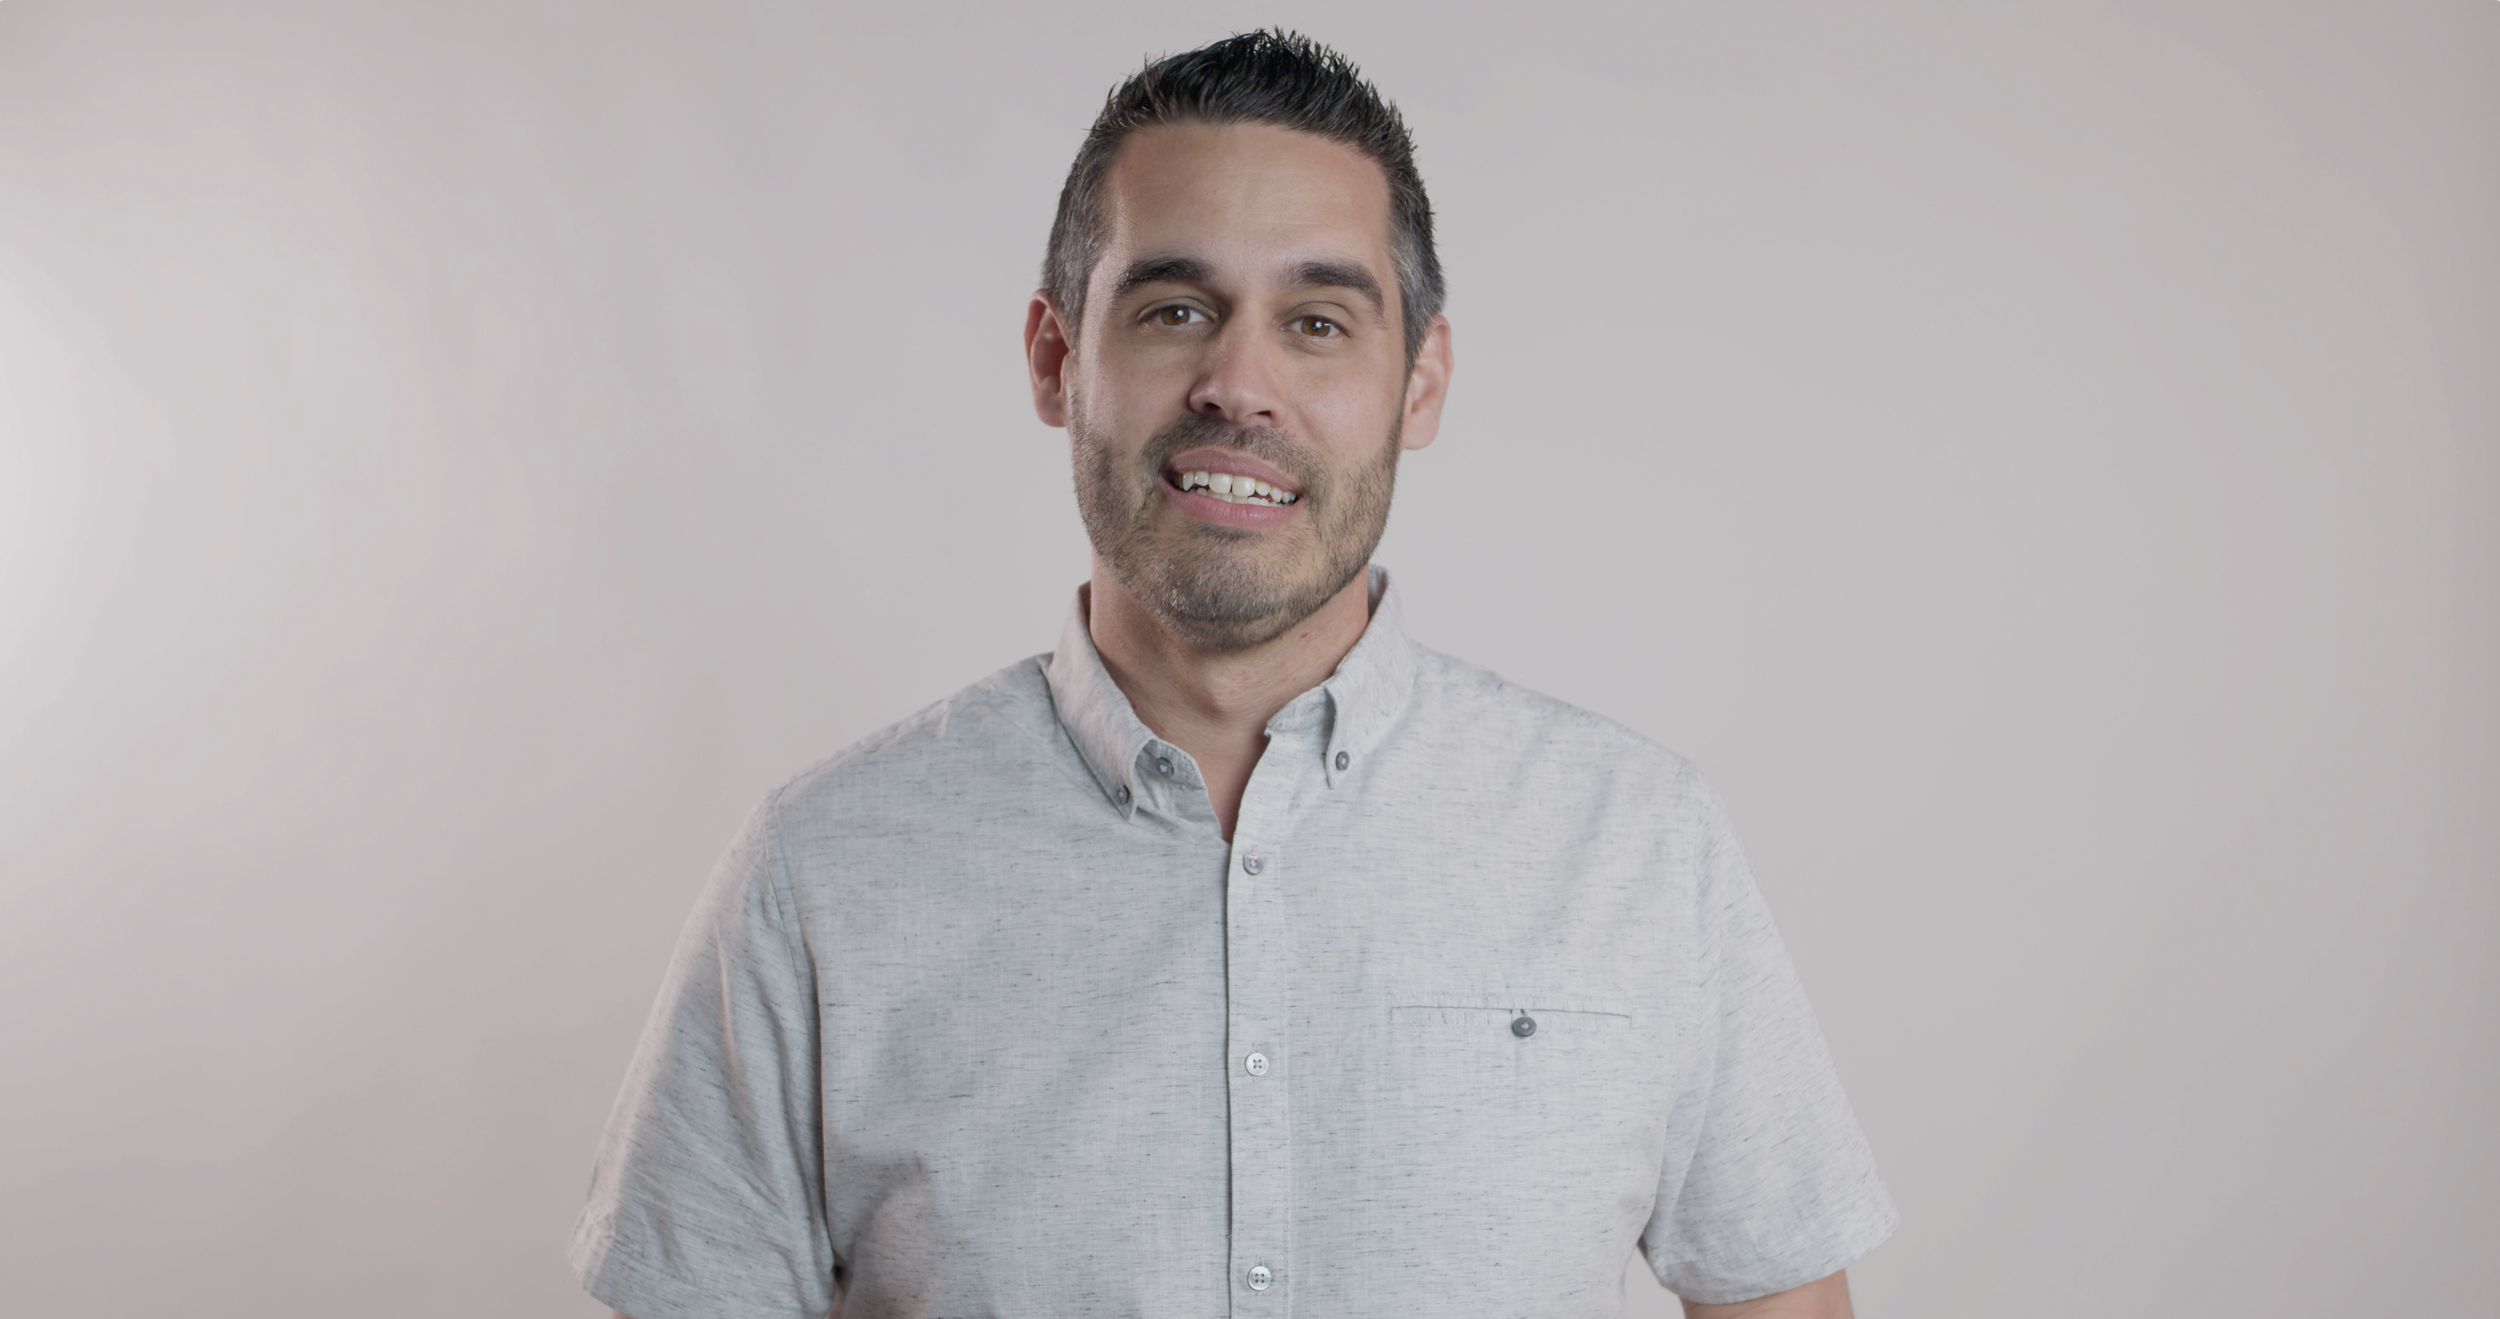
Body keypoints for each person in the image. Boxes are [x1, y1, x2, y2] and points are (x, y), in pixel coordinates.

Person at [571, 30, 1896, 1319]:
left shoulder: (1637, 844)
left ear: (1419, 383)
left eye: (1318, 321)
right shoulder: (823, 875)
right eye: (1175, 309)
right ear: (1054, 357)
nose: (1239, 382)